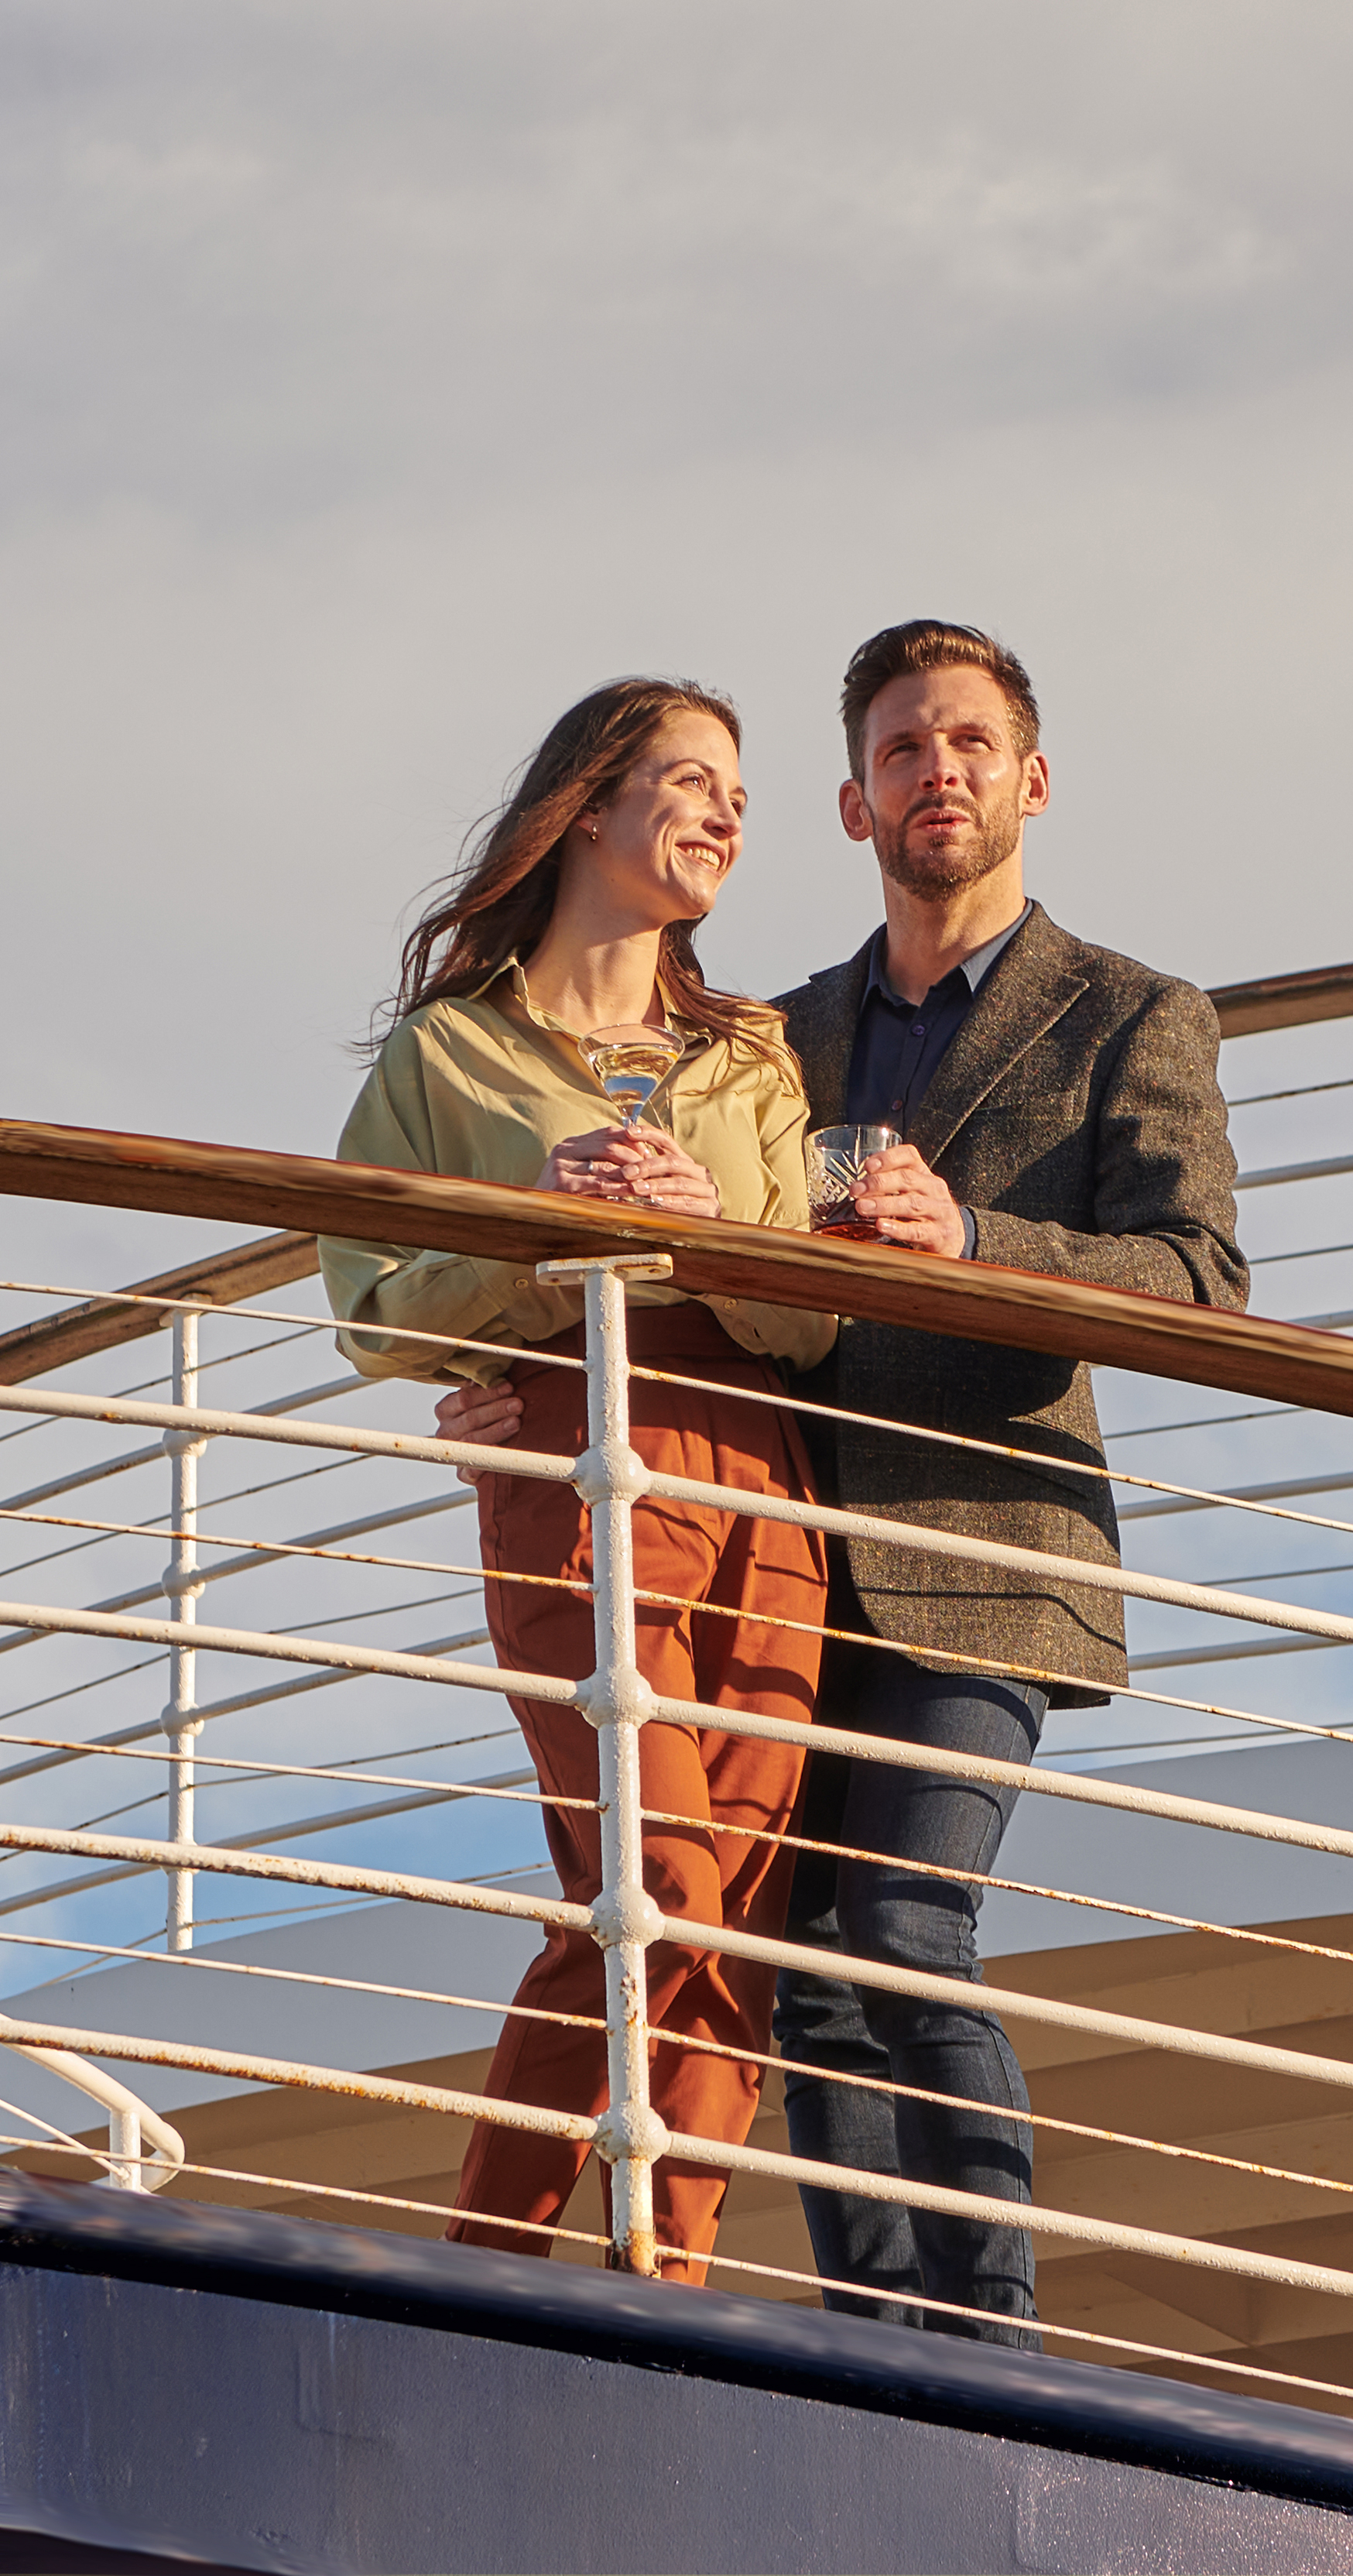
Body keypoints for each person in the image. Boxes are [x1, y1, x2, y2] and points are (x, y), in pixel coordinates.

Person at [440, 621, 1245, 2344]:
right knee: (787, 1969)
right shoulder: (764, 1030)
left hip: (982, 1551)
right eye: (898, 747)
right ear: (853, 799)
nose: (932, 771)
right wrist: (518, 1363)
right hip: (771, 1548)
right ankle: (867, 2345)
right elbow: (670, 1262)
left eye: (965, 741)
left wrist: (978, 1243)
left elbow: (1196, 1275)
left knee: (899, 1922)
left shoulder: (1131, 1014)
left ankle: (989, 2336)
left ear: (1030, 780)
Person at [325, 677, 836, 2284]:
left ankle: (580, 2277)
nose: (728, 812)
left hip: (756, 1474)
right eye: (692, 780)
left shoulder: (748, 1057)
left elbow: (809, 1313)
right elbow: (366, 1300)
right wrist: (536, 1249)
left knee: (711, 1905)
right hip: (567, 1469)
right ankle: (576, 2276)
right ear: (591, 803)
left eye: (740, 794)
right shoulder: (449, 1054)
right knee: (653, 1878)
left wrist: (710, 1229)